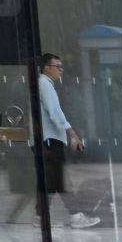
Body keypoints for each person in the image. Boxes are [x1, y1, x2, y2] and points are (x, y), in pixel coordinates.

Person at [17, 53, 99, 230]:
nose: (61, 70)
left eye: (62, 67)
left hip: (45, 141)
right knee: (60, 180)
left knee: (51, 182)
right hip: (49, 141)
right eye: (58, 67)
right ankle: (75, 216)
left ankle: (42, 216)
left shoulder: (41, 84)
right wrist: (72, 133)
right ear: (47, 67)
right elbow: (55, 113)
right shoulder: (45, 84)